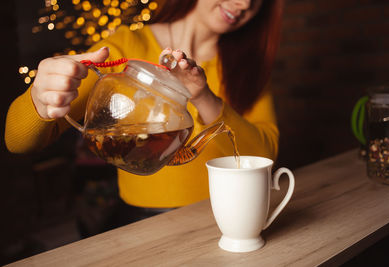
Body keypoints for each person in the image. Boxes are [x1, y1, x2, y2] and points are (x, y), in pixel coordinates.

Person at [5, 0, 283, 224]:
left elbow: (264, 155)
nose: (245, 3)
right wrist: (40, 99)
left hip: (228, 218)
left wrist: (201, 95)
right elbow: (18, 141)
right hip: (144, 221)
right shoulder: (126, 46)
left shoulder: (249, 65)